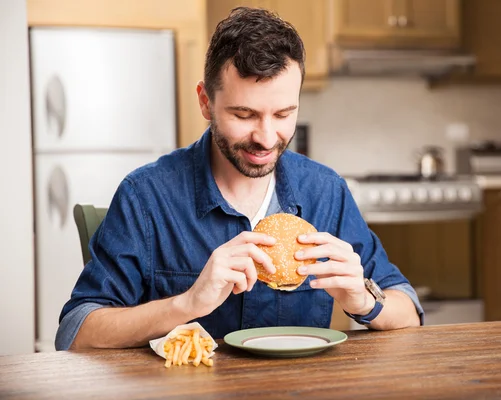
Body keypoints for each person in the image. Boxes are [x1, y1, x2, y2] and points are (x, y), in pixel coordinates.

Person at [55, 7, 423, 351]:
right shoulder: (146, 196)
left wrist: (364, 301)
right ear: (205, 102)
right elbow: (76, 332)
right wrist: (188, 303)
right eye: (245, 114)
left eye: (283, 114)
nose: (266, 137)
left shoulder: (326, 192)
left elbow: (408, 312)